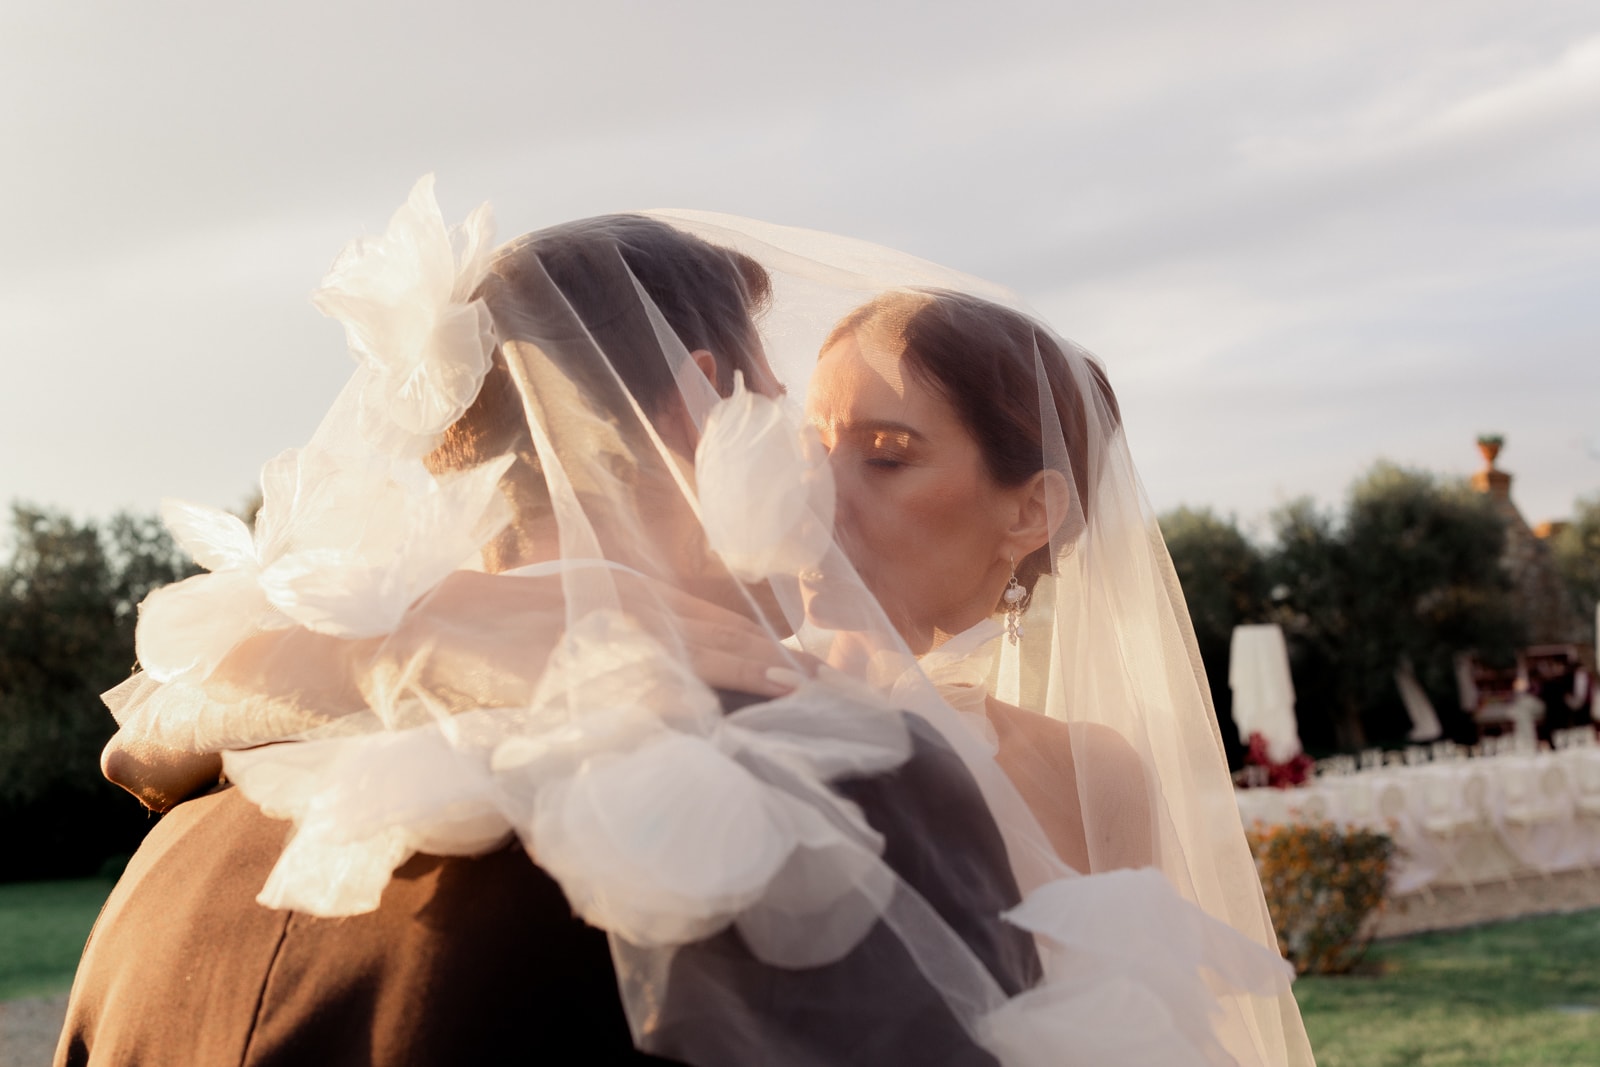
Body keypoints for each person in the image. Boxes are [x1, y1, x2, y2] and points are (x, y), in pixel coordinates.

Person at [65, 183, 1302, 1066]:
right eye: (784, 415)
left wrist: (384, 640)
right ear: (706, 409)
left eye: (879, 451)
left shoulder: (187, 841)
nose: (810, 483)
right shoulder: (815, 791)